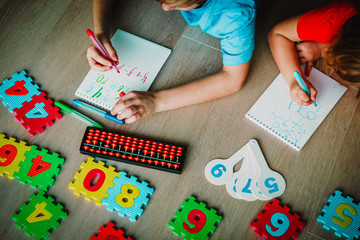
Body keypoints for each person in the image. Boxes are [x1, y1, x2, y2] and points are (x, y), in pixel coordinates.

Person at [87, 0, 257, 123]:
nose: (165, 8)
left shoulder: (234, 14)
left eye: (173, 3)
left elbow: (232, 79)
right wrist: (101, 32)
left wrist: (156, 101)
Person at [268, 0, 360, 106]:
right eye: (333, 60)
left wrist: (320, 49)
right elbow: (277, 34)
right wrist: (293, 80)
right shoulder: (327, 24)